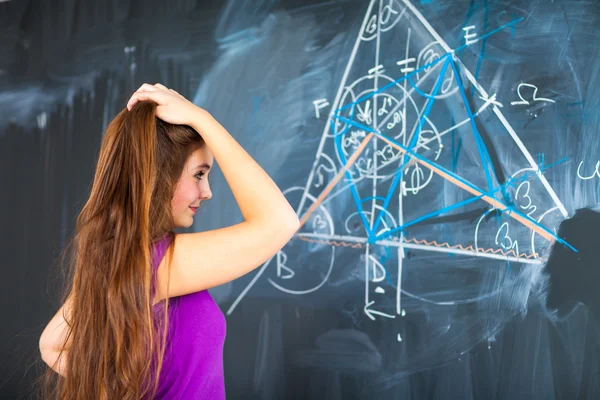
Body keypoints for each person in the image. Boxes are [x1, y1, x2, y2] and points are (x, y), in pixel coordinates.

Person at [37, 83, 300, 399]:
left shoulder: (126, 256)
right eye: (199, 174)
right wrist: (201, 119)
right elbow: (279, 222)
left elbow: (52, 343)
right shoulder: (157, 262)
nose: (207, 192)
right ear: (161, 173)